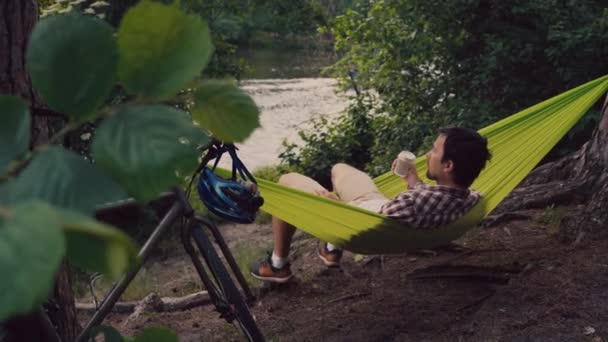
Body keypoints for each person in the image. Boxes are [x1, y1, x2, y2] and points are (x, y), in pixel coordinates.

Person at [250, 127, 492, 283]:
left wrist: (333, 206)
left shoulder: (410, 204)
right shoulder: (472, 199)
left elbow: (381, 216)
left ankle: (278, 265)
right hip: (373, 207)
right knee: (339, 169)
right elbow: (432, 201)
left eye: (434, 151)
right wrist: (413, 181)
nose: (428, 154)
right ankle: (331, 248)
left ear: (448, 165)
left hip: (356, 217)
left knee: (285, 182)